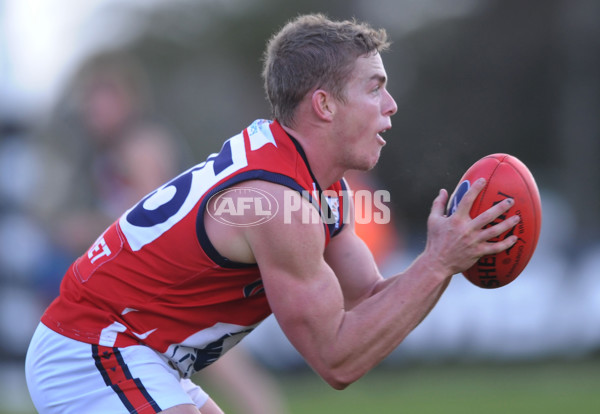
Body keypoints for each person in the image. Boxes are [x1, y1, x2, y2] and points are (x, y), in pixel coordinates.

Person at [25, 13, 520, 414]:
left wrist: (446, 255)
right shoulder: (279, 203)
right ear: (324, 104)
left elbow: (367, 299)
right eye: (374, 87)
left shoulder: (316, 183)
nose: (391, 104)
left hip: (141, 350)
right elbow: (338, 360)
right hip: (92, 347)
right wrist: (438, 263)